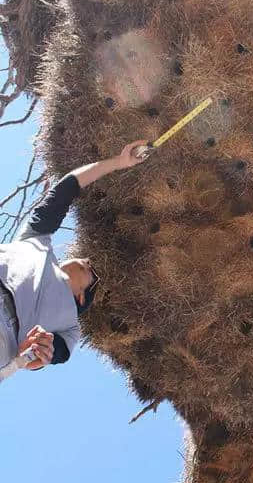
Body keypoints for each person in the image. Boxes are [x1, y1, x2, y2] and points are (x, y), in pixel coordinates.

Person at [0, 140, 148, 382]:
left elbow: (55, 353)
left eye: (91, 271)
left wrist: (40, 352)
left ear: (82, 296)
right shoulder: (36, 241)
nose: (88, 261)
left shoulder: (70, 327)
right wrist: (118, 163)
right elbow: (66, 189)